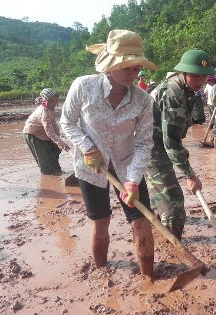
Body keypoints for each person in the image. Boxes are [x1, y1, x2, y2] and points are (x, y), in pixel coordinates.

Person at [59, 29, 157, 278]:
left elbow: (144, 143)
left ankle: (149, 279)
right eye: (126, 66)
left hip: (127, 167)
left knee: (141, 222)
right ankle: (102, 272)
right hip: (92, 168)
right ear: (110, 66)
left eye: (136, 68)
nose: (133, 73)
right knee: (100, 223)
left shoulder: (143, 101)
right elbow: (67, 122)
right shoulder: (83, 86)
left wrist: (133, 180)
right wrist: (87, 147)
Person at [146, 48, 215, 240]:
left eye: (204, 75)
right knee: (173, 204)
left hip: (160, 146)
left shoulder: (187, 89)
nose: (200, 81)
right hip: (151, 149)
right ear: (183, 73)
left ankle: (157, 230)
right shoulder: (173, 94)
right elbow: (171, 143)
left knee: (160, 197)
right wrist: (190, 175)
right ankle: (172, 250)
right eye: (195, 75)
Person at [23, 88, 70, 175]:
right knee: (44, 157)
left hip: (43, 133)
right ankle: (48, 175)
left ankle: (57, 171)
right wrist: (60, 142)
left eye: (56, 101)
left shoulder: (50, 109)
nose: (55, 103)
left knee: (54, 151)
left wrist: (59, 140)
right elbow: (49, 131)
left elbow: (54, 125)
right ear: (47, 101)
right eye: (52, 101)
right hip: (33, 134)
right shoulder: (44, 112)